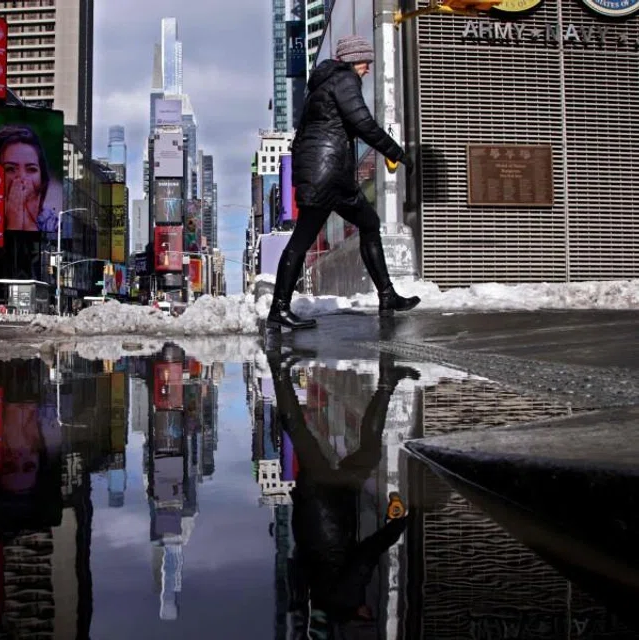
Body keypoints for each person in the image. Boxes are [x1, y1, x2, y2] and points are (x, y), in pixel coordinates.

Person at [267, 35, 420, 331]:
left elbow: (307, 136)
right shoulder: (345, 81)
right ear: (352, 60)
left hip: (322, 173)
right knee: (305, 238)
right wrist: (398, 153)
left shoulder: (322, 85)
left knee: (368, 223)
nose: (367, 68)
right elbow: (363, 124)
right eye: (365, 61)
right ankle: (279, 309)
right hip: (330, 175)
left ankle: (387, 296)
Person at [267, 347, 417, 635]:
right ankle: (280, 372)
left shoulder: (348, 598)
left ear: (358, 615)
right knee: (302, 436)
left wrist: (399, 525)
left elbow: (365, 556)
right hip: (312, 503)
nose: (368, 610)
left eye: (367, 615)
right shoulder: (316, 596)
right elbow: (297, 562)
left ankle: (386, 383)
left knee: (367, 451)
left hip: (333, 504)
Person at [0, 125, 58, 234]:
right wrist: (14, 224)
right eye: (10, 169)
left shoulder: (53, 223)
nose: (22, 178)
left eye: (31, 169)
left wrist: (30, 224)